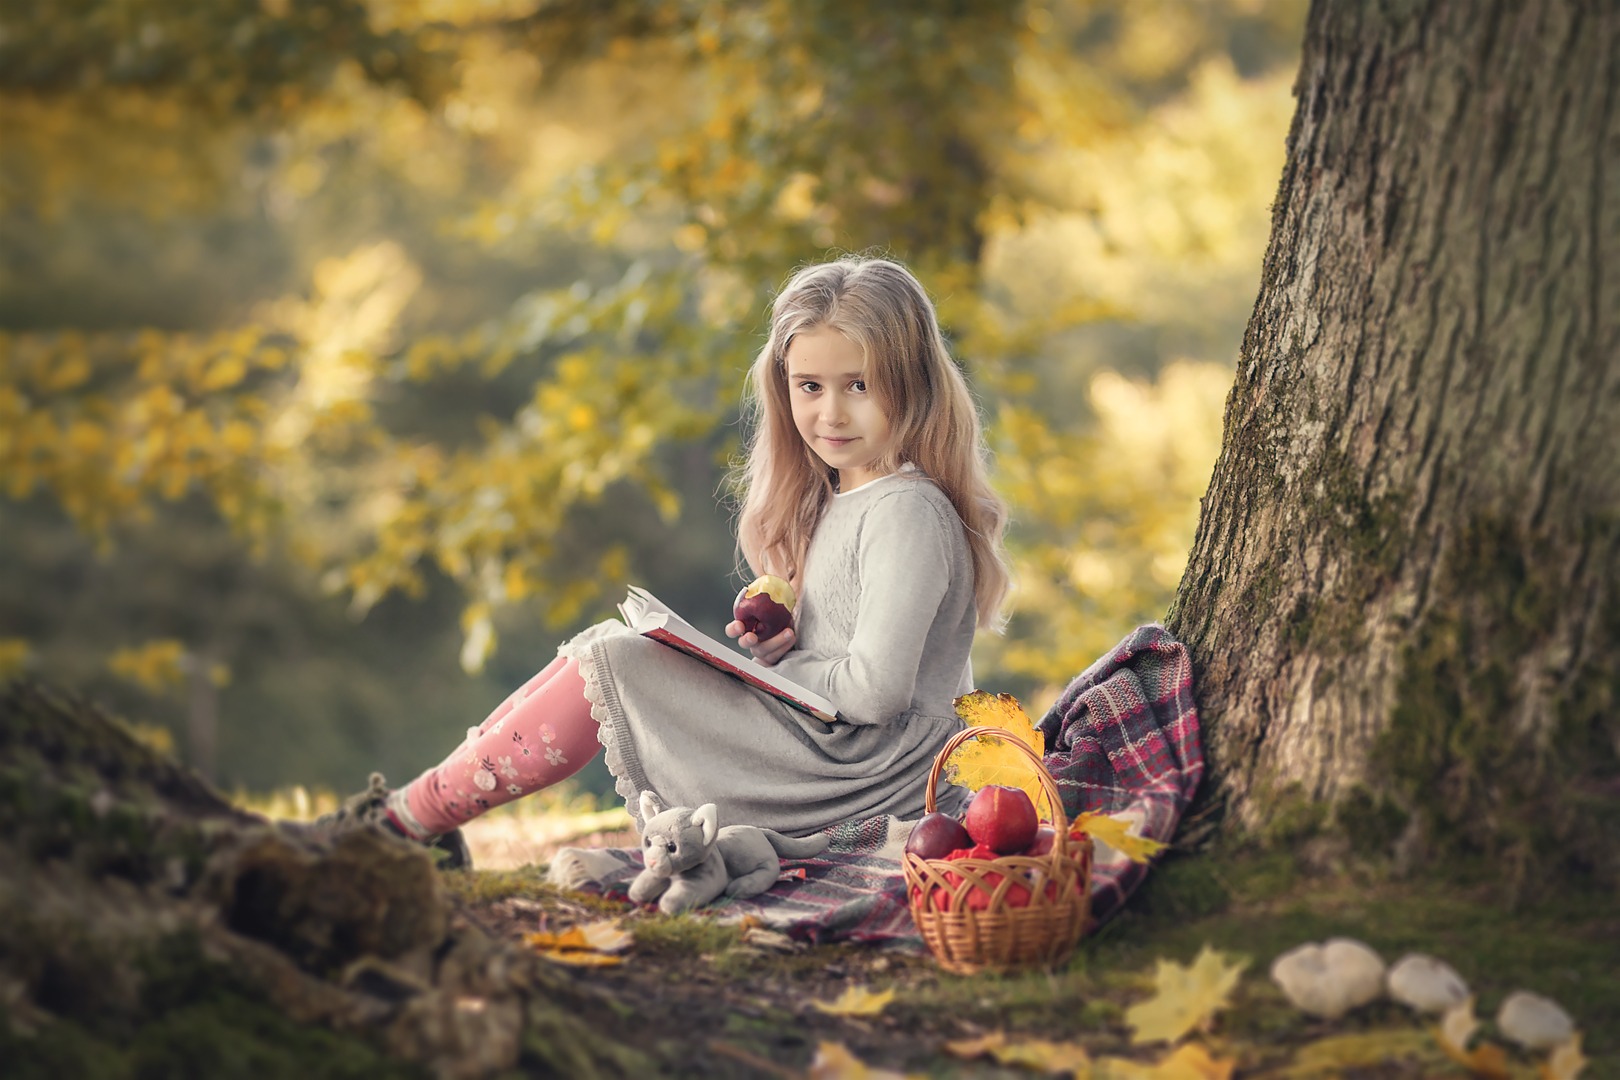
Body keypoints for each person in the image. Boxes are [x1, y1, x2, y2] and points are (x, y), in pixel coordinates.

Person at [317, 255, 1011, 867]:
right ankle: (420, 816)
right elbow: (846, 661)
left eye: (858, 385)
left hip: (876, 775)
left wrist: (776, 673)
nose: (830, 413)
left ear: (911, 383)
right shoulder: (848, 497)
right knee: (602, 649)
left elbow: (876, 694)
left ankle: (409, 821)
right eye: (809, 386)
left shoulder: (907, 511)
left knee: (618, 659)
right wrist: (780, 651)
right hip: (838, 747)